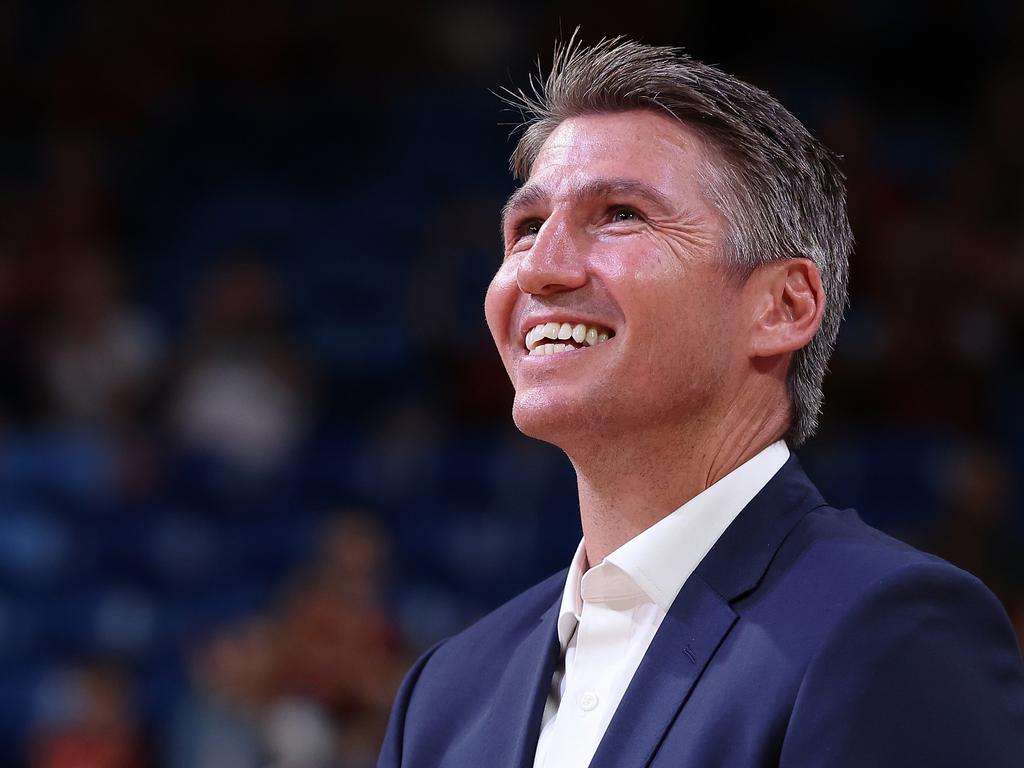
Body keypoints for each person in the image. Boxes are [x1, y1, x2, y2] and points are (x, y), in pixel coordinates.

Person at [379, 37, 1024, 767]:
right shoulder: (443, 694)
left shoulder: (895, 630)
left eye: (620, 213)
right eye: (526, 228)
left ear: (782, 307)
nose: (540, 269)